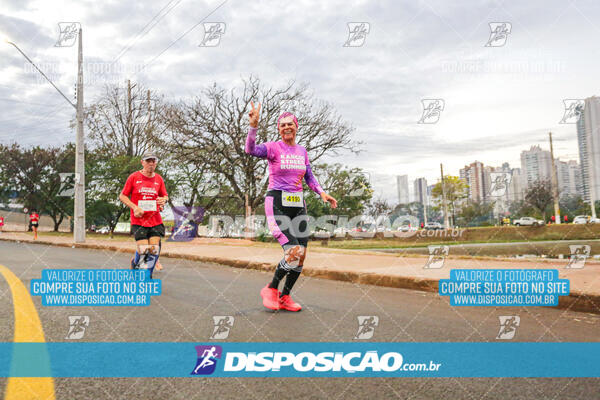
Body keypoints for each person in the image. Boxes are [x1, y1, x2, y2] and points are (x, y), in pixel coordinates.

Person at [245, 102, 337, 311]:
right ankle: (271, 288)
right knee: (293, 251)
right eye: (282, 125)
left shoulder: (302, 151)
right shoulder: (273, 147)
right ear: (279, 129)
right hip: (277, 203)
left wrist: (322, 193)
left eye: (290, 124)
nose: (286, 127)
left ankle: (285, 297)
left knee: (301, 255)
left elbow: (309, 176)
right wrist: (253, 126)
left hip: (298, 205)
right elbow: (250, 149)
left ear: (296, 127)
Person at [119, 152, 168, 277]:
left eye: (153, 161)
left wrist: (164, 200)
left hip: (155, 219)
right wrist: (134, 207)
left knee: (154, 249)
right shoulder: (134, 177)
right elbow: (122, 195)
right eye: (148, 161)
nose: (151, 164)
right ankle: (134, 262)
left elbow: (164, 195)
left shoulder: (159, 179)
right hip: (139, 220)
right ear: (142, 162)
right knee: (144, 251)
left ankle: (147, 276)